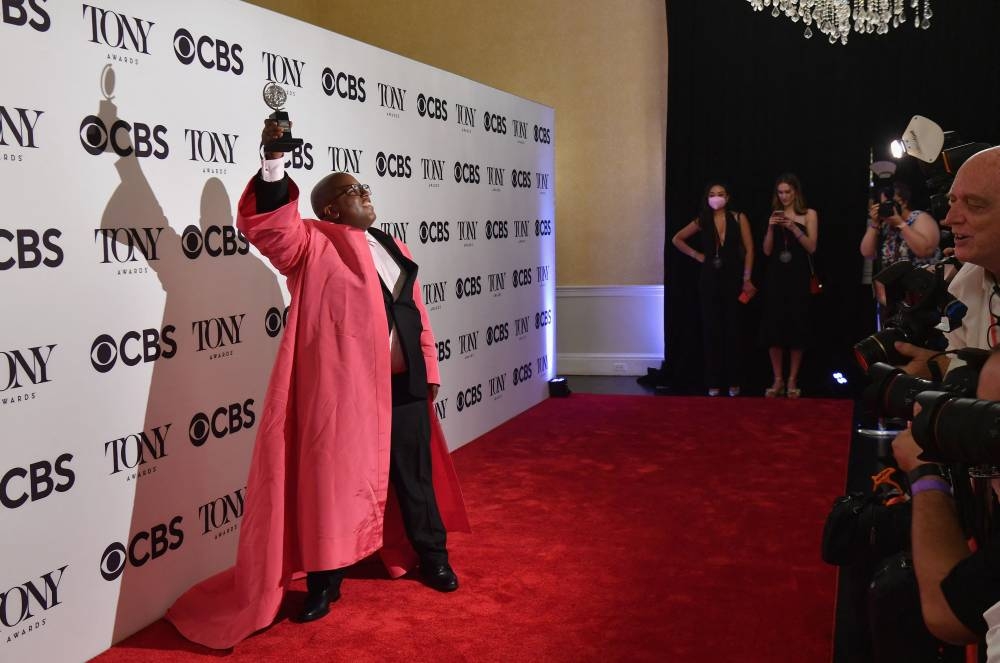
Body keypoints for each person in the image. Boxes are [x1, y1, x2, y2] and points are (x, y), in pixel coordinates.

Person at [165, 121, 470, 649]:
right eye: (355, 191)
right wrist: (275, 161)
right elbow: (270, 230)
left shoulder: (392, 243)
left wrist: (430, 369)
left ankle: (433, 558)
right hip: (349, 397)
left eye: (366, 188)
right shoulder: (312, 242)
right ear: (329, 209)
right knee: (331, 487)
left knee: (414, 478)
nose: (366, 194)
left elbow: (415, 311)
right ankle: (325, 585)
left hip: (407, 388)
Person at [891, 146, 1000, 647]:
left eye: (974, 206)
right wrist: (930, 366)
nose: (951, 217)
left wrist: (924, 474)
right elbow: (963, 366)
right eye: (952, 201)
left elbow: (949, 616)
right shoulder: (970, 280)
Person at [672, 182, 756, 396]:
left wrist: (747, 278)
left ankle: (734, 380)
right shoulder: (703, 219)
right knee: (711, 331)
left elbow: (749, 249)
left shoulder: (738, 217)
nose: (716, 198)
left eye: (720, 194)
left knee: (733, 330)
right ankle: (713, 381)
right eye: (712, 194)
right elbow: (677, 239)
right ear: (707, 198)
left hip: (733, 278)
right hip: (709, 279)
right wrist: (697, 255)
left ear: (727, 197)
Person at [759, 173, 818, 398]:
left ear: (796, 192)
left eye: (788, 192)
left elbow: (812, 247)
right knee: (773, 327)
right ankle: (778, 379)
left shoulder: (809, 214)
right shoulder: (774, 215)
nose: (784, 196)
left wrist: (793, 227)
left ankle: (793, 379)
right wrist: (771, 228)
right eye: (780, 192)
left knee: (797, 326)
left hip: (799, 277)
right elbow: (765, 251)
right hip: (776, 277)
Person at [860, 181, 941, 310]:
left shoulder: (920, 218)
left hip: (924, 291)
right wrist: (874, 224)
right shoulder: (886, 226)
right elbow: (867, 253)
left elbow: (925, 250)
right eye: (882, 205)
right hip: (896, 297)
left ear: (903, 202)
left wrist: (901, 224)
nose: (886, 208)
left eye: (889, 204)